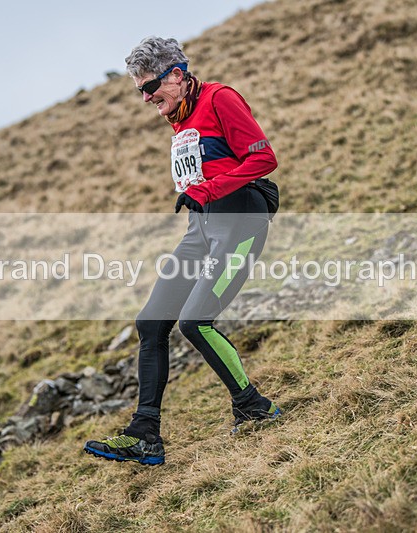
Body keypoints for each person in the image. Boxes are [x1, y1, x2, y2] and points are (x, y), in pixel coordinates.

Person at [84, 36, 281, 465]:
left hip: (242, 221)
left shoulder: (220, 98)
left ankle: (253, 407)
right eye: (139, 90)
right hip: (201, 227)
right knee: (151, 322)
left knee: (195, 322)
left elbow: (263, 160)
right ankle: (146, 435)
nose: (146, 97)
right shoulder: (180, 114)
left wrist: (209, 188)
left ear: (177, 74)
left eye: (150, 87)